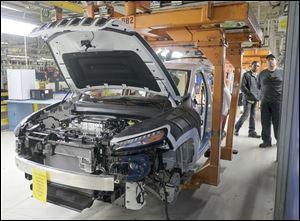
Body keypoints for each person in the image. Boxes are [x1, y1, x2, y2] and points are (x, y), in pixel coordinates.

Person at [258, 54, 283, 148]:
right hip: (265, 102)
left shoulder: (282, 72)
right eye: (268, 60)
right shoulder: (262, 73)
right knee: (265, 122)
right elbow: (258, 86)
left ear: (276, 61)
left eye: (272, 59)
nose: (270, 61)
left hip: (278, 101)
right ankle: (266, 141)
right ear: (266, 62)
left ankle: (279, 140)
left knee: (277, 122)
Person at [234, 61, 261, 138]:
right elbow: (242, 87)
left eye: (258, 66)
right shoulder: (246, 75)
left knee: (253, 115)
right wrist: (250, 94)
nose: (256, 67)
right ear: (251, 66)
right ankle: (236, 128)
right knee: (245, 115)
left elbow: (259, 87)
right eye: (255, 65)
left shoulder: (258, 76)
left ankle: (251, 132)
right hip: (248, 99)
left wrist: (258, 96)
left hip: (255, 99)